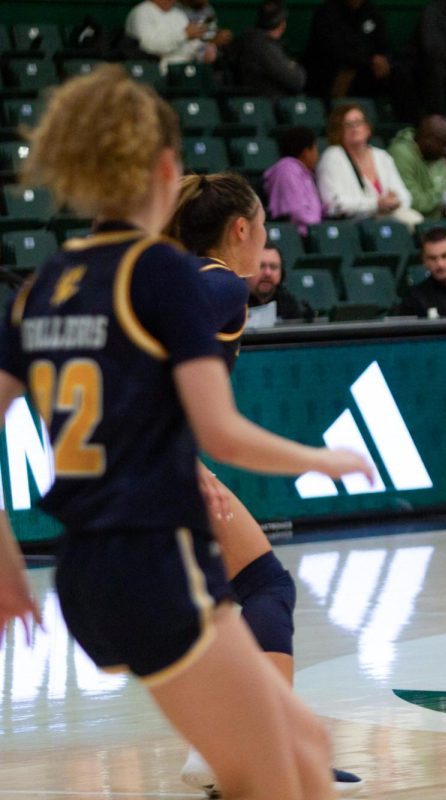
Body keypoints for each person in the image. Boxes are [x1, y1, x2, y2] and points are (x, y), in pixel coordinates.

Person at [0, 65, 369, 800]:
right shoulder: (166, 273)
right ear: (167, 168)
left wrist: (7, 563)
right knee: (281, 778)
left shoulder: (43, 284)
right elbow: (222, 432)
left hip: (82, 569)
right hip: (155, 560)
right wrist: (322, 458)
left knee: (304, 749)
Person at [165, 172, 362, 795]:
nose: (268, 240)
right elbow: (147, 370)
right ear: (242, 230)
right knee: (263, 587)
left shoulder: (182, 280)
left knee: (243, 595)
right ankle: (259, 752)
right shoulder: (220, 285)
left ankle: (237, 747)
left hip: (140, 469)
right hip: (156, 471)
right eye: (265, 227)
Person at [316, 103, 423, 229]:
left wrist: (395, 201)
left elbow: (405, 195)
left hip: (388, 218)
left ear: (367, 127)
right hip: (353, 224)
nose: (355, 128)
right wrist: (376, 204)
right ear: (338, 131)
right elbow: (334, 204)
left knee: (416, 221)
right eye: (348, 125)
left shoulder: (382, 156)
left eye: (358, 123)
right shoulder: (332, 156)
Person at [303, 0, 406, 108]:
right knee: (346, 73)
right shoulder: (326, 13)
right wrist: (369, 60)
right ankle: (334, 114)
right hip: (334, 72)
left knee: (397, 73)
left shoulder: (372, 12)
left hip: (368, 70)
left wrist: (383, 60)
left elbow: (383, 45)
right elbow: (333, 51)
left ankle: (408, 120)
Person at [388, 114, 446, 221]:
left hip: (437, 221)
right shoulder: (401, 154)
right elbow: (416, 203)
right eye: (443, 144)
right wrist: (442, 191)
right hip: (410, 222)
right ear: (427, 140)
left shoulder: (438, 157)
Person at [232, 1, 306, 98]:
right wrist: (292, 65)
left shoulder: (254, 39)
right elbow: (297, 81)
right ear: (282, 24)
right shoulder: (262, 45)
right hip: (267, 104)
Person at [125, 0, 217, 71]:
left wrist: (203, 52)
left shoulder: (178, 14)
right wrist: (183, 35)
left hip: (187, 69)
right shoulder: (141, 12)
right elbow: (149, 46)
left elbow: (190, 45)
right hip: (158, 72)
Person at [263, 126, 322, 234]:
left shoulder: (305, 173)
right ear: (306, 152)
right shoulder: (287, 169)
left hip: (311, 231)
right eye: (315, 148)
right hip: (296, 233)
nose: (317, 154)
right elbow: (296, 210)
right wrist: (318, 228)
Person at [247, 246, 314, 327]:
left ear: (281, 274)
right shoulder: (234, 303)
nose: (268, 273)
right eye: (261, 266)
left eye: (273, 267)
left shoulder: (290, 304)